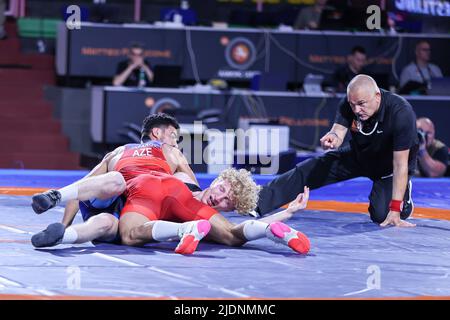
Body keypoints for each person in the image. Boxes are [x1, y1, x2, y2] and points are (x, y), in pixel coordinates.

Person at [31, 142, 311, 255]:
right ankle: (267, 230)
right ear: (218, 180)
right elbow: (232, 232)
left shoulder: (182, 175)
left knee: (119, 228)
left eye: (228, 200)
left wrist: (284, 214)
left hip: (142, 194)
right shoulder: (184, 177)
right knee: (229, 235)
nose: (221, 198)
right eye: (224, 190)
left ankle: (62, 233)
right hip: (144, 194)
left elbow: (84, 185)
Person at [255, 74, 419, 228]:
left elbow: (400, 165)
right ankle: (257, 202)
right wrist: (333, 137)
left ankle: (404, 200)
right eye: (352, 104)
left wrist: (395, 209)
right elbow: (339, 132)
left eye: (361, 104)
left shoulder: (401, 113)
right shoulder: (351, 103)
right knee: (311, 168)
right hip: (360, 155)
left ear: (377, 96)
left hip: (389, 167)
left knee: (382, 216)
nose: (356, 110)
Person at [31, 114, 199, 246]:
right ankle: (55, 197)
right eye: (173, 136)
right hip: (118, 197)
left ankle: (62, 237)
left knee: (104, 222)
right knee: (117, 180)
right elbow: (196, 194)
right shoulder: (170, 152)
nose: (176, 143)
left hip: (125, 215)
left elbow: (81, 188)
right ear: (157, 132)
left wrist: (64, 225)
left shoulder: (120, 151)